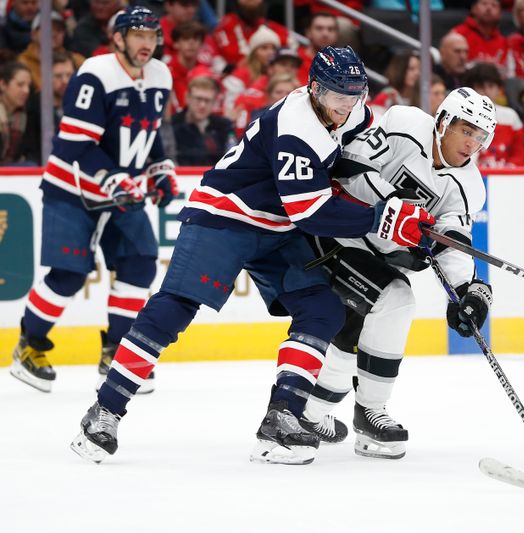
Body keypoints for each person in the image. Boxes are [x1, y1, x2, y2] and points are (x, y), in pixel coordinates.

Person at [69, 46, 435, 466]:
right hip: (225, 216)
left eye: (356, 97)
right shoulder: (296, 126)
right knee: (174, 309)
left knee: (323, 309)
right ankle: (104, 411)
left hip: (277, 229)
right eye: (338, 99)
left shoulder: (350, 108)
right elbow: (312, 212)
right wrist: (383, 219)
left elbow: (364, 160)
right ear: (315, 90)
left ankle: (282, 418)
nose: (347, 107)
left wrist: (406, 203)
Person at [299, 87, 496, 458]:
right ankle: (370, 412)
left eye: (480, 136)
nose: (472, 143)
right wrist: (397, 208)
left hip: (377, 259)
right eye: (466, 130)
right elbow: (351, 169)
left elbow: (451, 243)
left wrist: (467, 291)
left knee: (350, 331)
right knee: (396, 299)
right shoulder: (405, 124)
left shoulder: (469, 186)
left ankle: (311, 412)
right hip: (337, 234)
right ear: (443, 122)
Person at [8, 6, 176, 393]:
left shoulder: (160, 75)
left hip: (120, 190)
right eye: (138, 35)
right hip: (73, 187)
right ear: (118, 38)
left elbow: (145, 133)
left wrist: (159, 167)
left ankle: (116, 349)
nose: (146, 44)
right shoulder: (95, 74)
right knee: (69, 274)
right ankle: (29, 345)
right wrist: (113, 176)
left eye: (151, 36)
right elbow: (74, 145)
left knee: (140, 262)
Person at [462, 63, 524, 167]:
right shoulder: (462, 116)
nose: (487, 91)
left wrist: (508, 171)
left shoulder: (511, 117)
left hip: (506, 178)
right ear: (471, 90)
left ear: (499, 89)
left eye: (491, 86)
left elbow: (519, 156)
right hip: (473, 176)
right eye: (481, 87)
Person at [167, 76, 235, 166]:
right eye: (198, 99)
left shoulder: (224, 126)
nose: (202, 105)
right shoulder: (172, 125)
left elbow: (231, 160)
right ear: (187, 98)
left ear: (214, 102)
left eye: (207, 101)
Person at [17, 11, 85, 92]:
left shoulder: (77, 60)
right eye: (48, 29)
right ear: (33, 34)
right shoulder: (23, 62)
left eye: (59, 30)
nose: (54, 34)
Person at [0, 62, 36, 165]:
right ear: (3, 84)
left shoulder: (28, 113)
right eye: (20, 85)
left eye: (28, 86)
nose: (26, 91)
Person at [452, 0, 507, 64]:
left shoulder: (504, 42)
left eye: (494, 5)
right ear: (473, 8)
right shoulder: (458, 35)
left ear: (500, 14)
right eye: (484, 3)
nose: (488, 8)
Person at [370, 50, 420, 118]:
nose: (417, 73)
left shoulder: (422, 97)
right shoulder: (386, 96)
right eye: (411, 69)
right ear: (400, 70)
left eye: (419, 69)